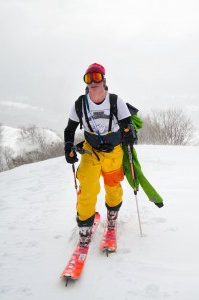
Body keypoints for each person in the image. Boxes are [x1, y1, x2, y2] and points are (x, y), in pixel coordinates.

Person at [63, 63, 136, 249]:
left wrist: (129, 135)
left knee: (112, 186)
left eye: (96, 77)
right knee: (87, 186)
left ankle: (112, 218)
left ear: (104, 80)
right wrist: (69, 147)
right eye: (88, 78)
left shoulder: (115, 101)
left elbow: (128, 125)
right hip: (90, 150)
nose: (92, 82)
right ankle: (85, 227)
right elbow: (70, 129)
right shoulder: (80, 104)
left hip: (114, 150)